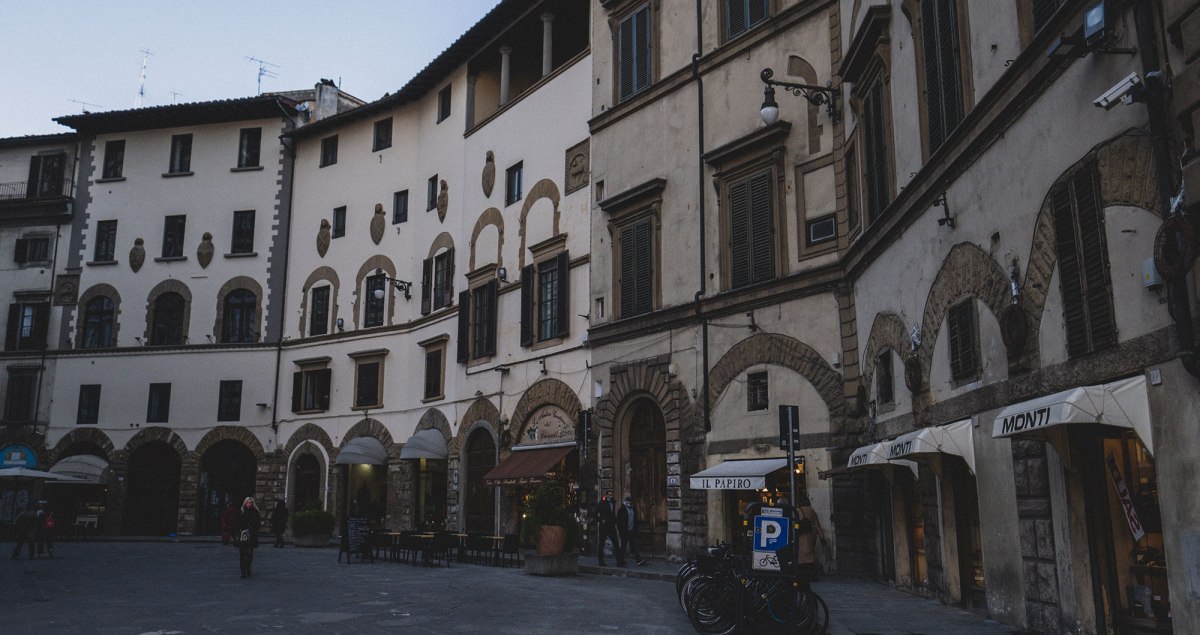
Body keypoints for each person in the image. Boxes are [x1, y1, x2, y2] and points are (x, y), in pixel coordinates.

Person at [593, 489, 624, 567]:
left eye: (611, 495)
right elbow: (594, 513)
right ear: (606, 495)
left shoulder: (613, 502)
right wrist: (601, 520)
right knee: (601, 544)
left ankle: (619, 562)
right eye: (609, 495)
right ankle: (601, 562)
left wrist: (615, 521)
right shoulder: (602, 503)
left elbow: (612, 514)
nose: (611, 496)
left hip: (611, 526)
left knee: (616, 543)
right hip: (604, 526)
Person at [235, 497, 262, 578]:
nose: (249, 504)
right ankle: (243, 571)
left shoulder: (255, 512)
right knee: (242, 554)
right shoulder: (241, 511)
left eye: (250, 502)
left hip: (251, 535)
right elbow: (237, 523)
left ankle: (248, 567)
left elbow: (258, 523)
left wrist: (252, 528)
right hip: (242, 535)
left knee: (249, 554)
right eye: (247, 502)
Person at [616, 495, 646, 566]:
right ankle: (620, 561)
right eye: (628, 502)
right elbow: (619, 522)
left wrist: (635, 529)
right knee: (623, 547)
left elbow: (635, 520)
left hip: (631, 531)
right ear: (625, 502)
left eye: (630, 502)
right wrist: (621, 531)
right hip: (624, 532)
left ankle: (639, 560)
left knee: (634, 546)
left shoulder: (633, 509)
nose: (630, 503)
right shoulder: (621, 510)